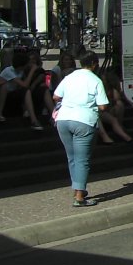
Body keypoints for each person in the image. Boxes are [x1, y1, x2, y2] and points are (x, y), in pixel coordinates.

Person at [53, 50, 108, 207]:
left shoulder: (70, 77)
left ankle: (78, 188)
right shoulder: (96, 80)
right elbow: (103, 105)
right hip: (84, 121)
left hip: (63, 119)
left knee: (72, 157)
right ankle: (79, 197)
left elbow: (56, 96)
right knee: (82, 159)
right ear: (94, 64)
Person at [0, 49, 43, 129]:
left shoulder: (21, 72)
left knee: (27, 91)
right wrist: (32, 71)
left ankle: (33, 119)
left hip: (15, 93)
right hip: (6, 96)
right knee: (25, 90)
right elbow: (25, 84)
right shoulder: (9, 71)